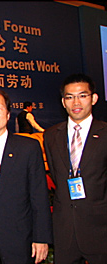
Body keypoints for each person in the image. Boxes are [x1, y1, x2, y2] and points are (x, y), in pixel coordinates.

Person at [0, 87, 52, 264]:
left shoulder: (29, 148)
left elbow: (39, 196)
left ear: (7, 114)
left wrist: (41, 237)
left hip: (20, 239)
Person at [44, 73, 107, 263]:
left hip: (101, 228)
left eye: (82, 95)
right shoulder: (51, 135)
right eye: (69, 97)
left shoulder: (105, 133)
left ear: (94, 99)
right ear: (63, 102)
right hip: (65, 231)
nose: (76, 102)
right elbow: (56, 175)